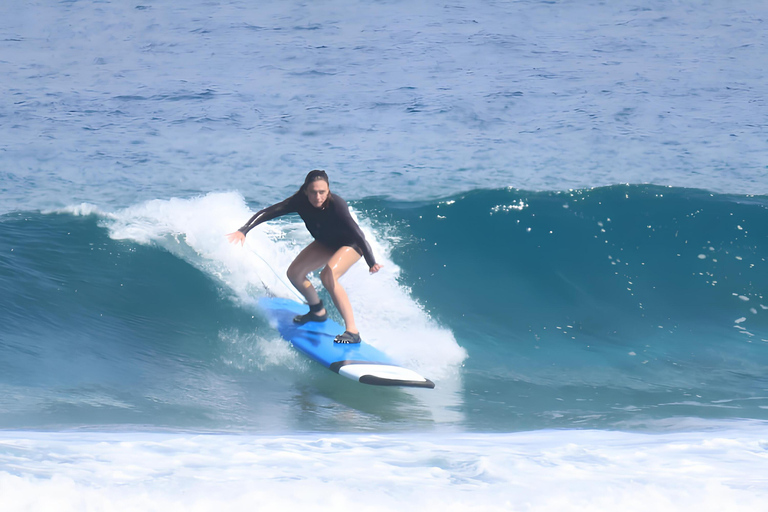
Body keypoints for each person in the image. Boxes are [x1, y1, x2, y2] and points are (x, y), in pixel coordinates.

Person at [227, 170, 383, 344]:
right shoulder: (299, 201)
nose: (318, 197)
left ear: (328, 190)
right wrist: (244, 229)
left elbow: (359, 235)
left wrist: (371, 262)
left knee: (328, 275)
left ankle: (352, 331)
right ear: (306, 191)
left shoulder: (337, 205)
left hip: (351, 244)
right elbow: (268, 212)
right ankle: (317, 311)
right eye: (313, 192)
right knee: (295, 273)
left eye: (322, 192)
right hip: (326, 242)